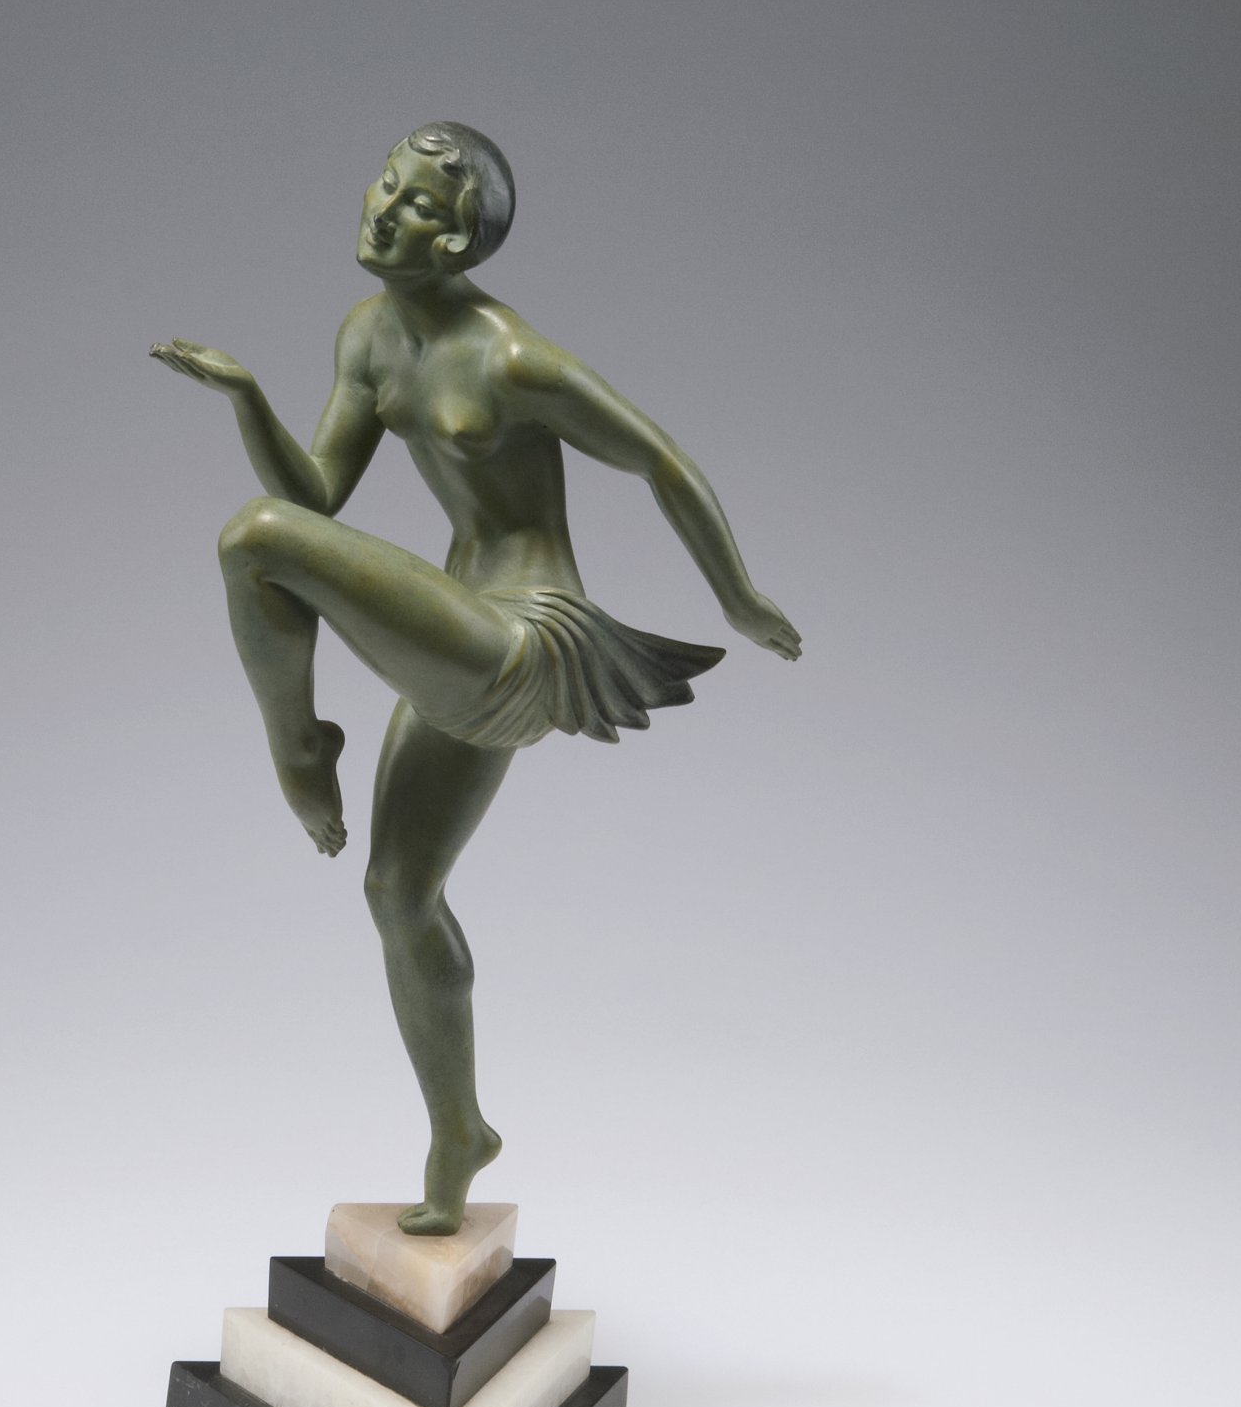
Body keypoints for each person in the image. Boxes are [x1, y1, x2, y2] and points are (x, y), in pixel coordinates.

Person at [152, 121, 801, 1235]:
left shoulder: (510, 356)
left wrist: (735, 595)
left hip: (524, 637)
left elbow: (657, 456)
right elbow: (318, 498)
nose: (380, 208)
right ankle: (459, 1133)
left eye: (412, 203)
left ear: (452, 239)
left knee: (250, 539)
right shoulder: (368, 336)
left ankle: (301, 752)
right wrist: (246, 397)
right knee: (397, 895)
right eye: (383, 183)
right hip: (457, 631)